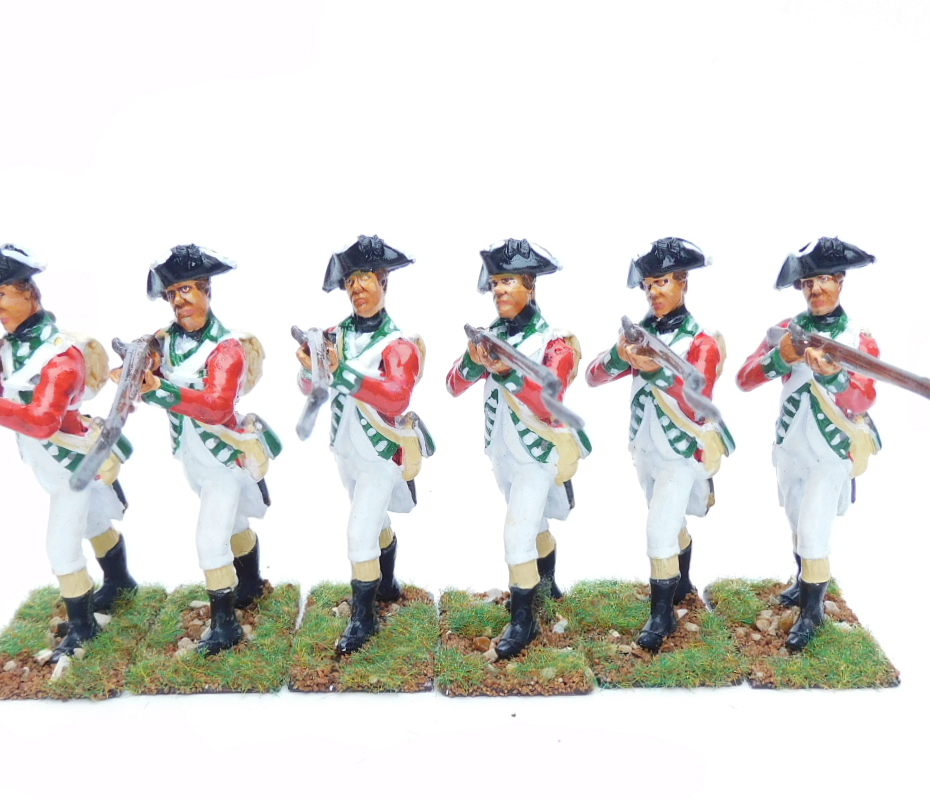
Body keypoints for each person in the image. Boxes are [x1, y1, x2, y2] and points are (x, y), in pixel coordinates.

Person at [0, 245, 137, 662]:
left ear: (27, 293)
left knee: (61, 550)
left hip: (73, 466)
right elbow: (9, 391)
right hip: (49, 464)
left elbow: (42, 420)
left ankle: (83, 628)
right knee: (96, 524)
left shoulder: (61, 358)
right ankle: (120, 583)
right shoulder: (10, 348)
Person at [585, 237, 733, 651]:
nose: (654, 292)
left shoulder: (699, 342)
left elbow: (697, 399)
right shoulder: (640, 336)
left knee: (659, 530)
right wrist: (621, 355)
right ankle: (681, 584)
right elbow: (593, 375)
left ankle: (662, 614)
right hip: (645, 448)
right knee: (667, 519)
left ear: (683, 282)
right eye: (648, 284)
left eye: (663, 282)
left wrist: (657, 369)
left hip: (681, 451)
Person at [446, 238, 590, 660]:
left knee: (516, 534)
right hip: (502, 452)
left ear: (530, 284)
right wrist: (474, 360)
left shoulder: (554, 342)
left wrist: (507, 372)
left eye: (508, 281)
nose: (499, 290)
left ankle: (523, 621)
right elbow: (452, 385)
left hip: (537, 454)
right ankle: (544, 588)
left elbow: (550, 398)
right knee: (533, 524)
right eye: (495, 283)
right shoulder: (490, 337)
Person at [735, 236, 880, 651]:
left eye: (824, 280)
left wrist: (834, 375)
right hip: (790, 449)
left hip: (830, 450)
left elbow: (863, 399)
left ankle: (813, 613)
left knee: (815, 531)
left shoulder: (857, 337)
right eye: (808, 283)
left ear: (839, 282)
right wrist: (780, 356)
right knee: (798, 523)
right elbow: (745, 379)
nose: (816, 289)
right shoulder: (785, 331)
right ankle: (805, 582)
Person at [136, 244, 281, 655]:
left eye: (186, 290)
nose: (178, 300)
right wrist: (138, 377)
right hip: (191, 455)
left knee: (210, 541)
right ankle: (249, 584)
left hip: (223, 457)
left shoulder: (226, 349)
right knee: (234, 523)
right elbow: (154, 381)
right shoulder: (166, 342)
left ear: (206, 291)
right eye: (172, 293)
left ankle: (225, 626)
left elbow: (216, 406)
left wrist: (160, 390)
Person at [296, 235, 432, 654]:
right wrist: (311, 367)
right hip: (345, 449)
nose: (356, 287)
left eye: (365, 278)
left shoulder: (399, 343)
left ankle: (364, 618)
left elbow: (396, 397)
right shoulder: (333, 335)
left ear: (382, 280)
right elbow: (310, 387)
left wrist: (342, 372)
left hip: (380, 452)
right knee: (372, 520)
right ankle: (386, 584)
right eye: (350, 280)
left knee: (358, 533)